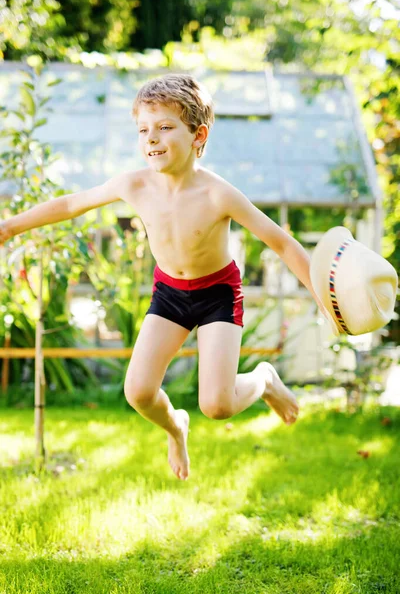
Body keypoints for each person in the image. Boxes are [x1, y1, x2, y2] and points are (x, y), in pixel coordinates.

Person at [0, 74, 327, 481]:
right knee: (137, 392)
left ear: (197, 134)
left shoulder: (218, 194)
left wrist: (322, 297)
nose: (151, 138)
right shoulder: (134, 185)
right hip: (170, 293)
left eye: (165, 127)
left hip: (217, 295)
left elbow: (281, 243)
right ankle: (177, 428)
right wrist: (10, 227)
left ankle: (264, 378)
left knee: (218, 405)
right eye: (143, 130)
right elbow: (71, 203)